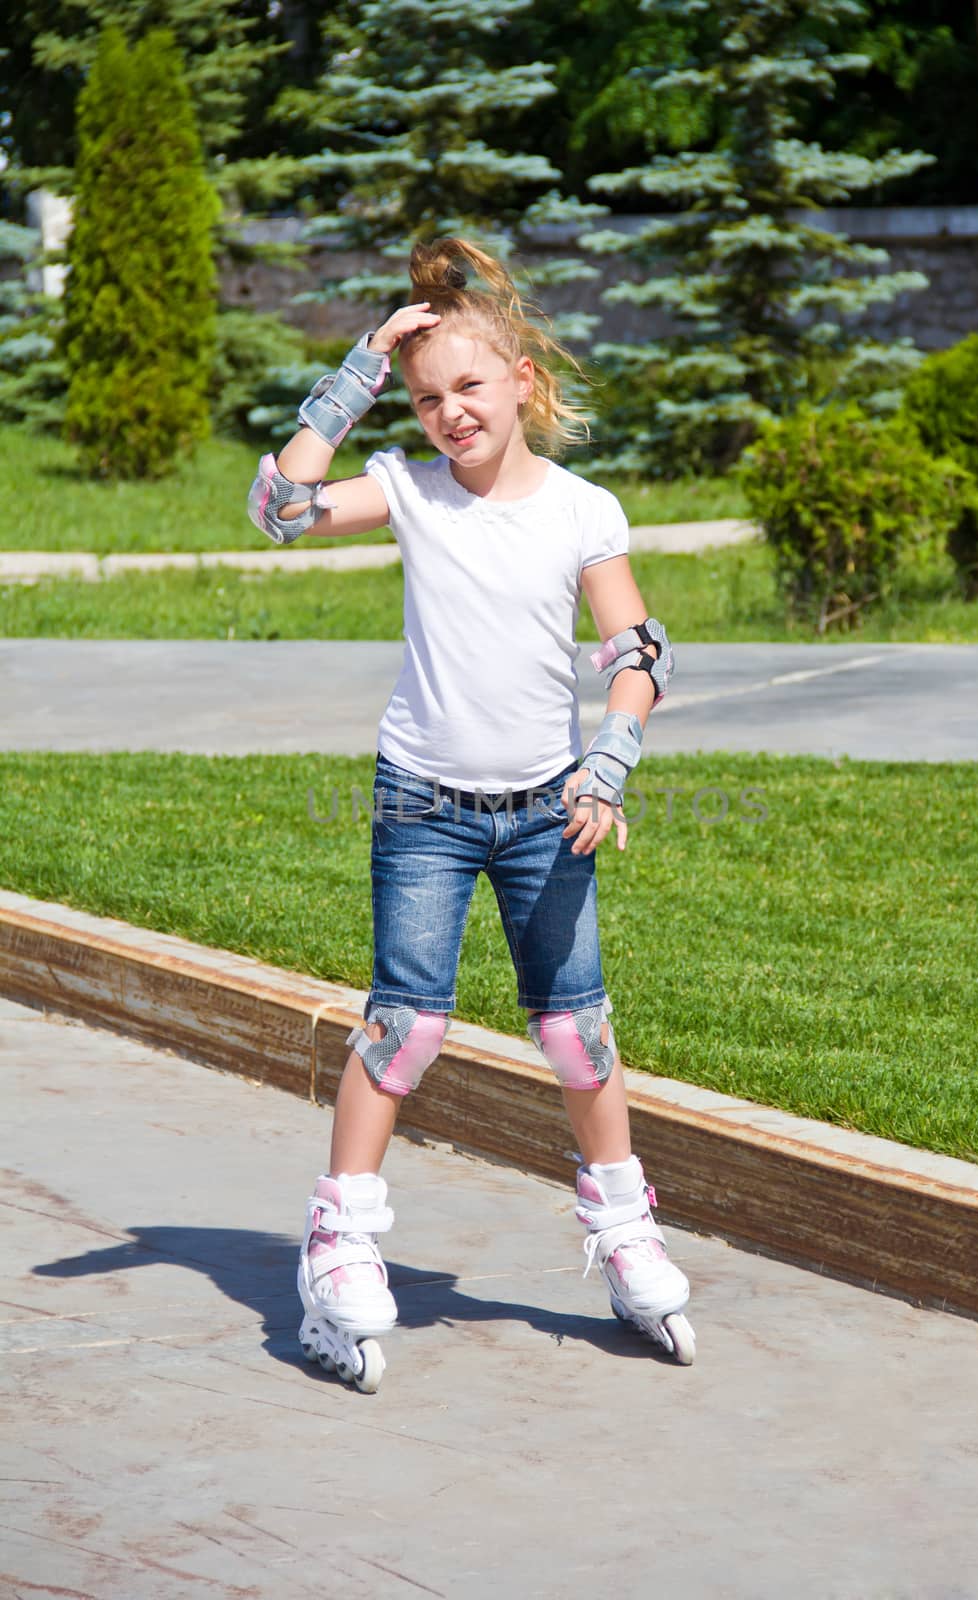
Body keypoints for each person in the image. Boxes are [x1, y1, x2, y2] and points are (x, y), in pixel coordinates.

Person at [247, 237, 693, 1391]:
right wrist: (357, 368)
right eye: (428, 395)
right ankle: (339, 1237)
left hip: (550, 807)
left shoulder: (583, 511)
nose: (450, 413)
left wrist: (611, 762)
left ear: (523, 386)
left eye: (470, 388)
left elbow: (635, 653)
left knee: (575, 1029)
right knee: (409, 1025)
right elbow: (280, 508)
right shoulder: (408, 490)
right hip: (423, 803)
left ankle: (624, 1225)